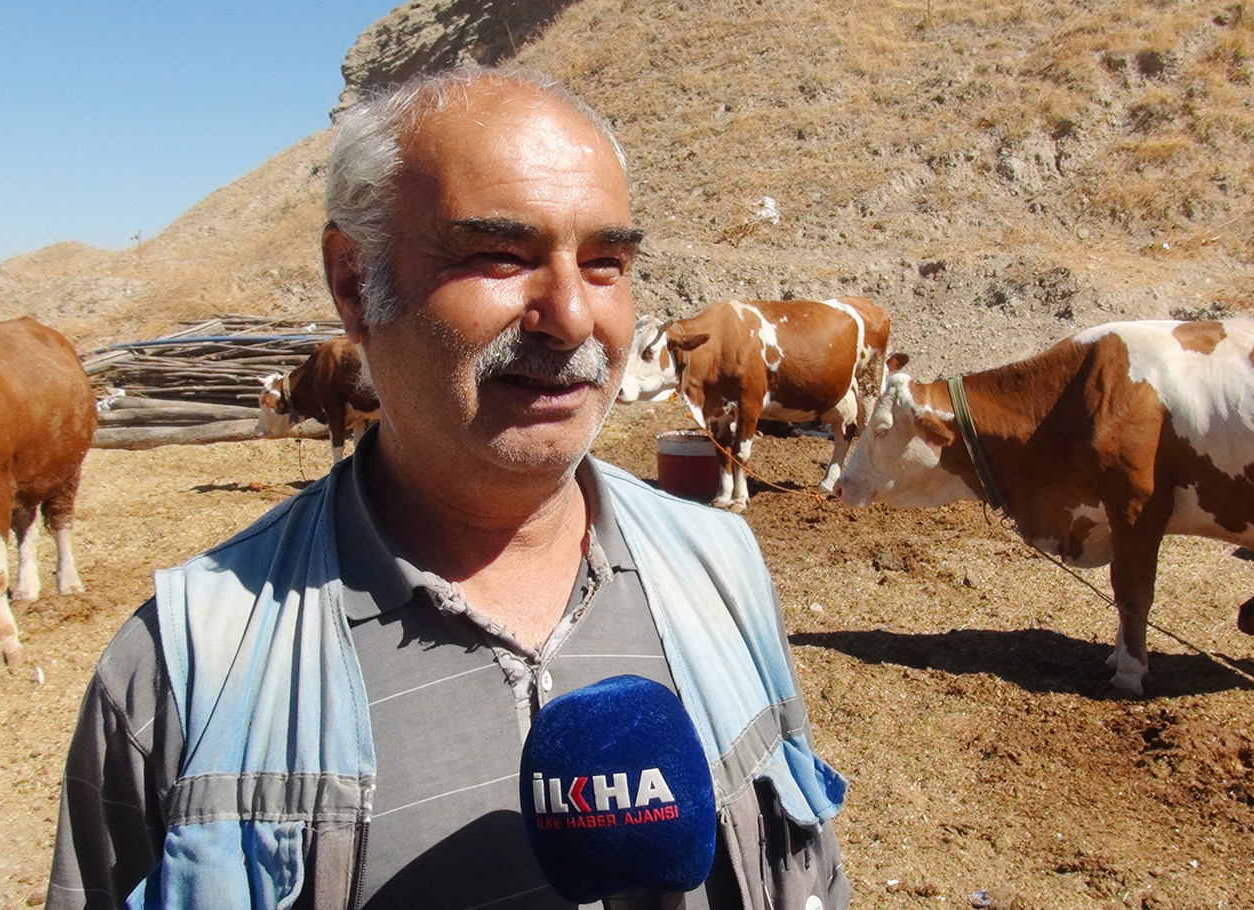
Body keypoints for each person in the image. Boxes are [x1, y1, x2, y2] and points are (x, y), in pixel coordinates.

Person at [48, 63, 850, 910]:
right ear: (355, 283)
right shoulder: (180, 675)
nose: (573, 317)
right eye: (500, 255)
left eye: (605, 262)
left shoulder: (724, 570)